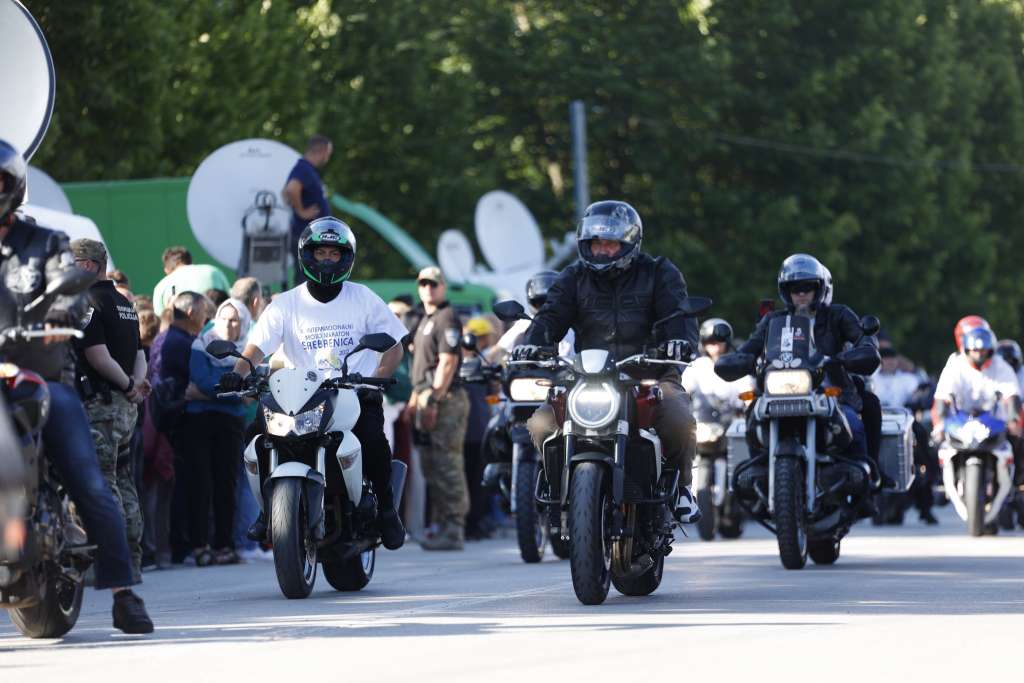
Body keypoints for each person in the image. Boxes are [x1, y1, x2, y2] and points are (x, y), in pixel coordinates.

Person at [0, 139, 152, 633]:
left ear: (13, 186)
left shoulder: (43, 241)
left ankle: (124, 593)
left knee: (90, 480)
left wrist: (61, 310)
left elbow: (67, 283)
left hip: (40, 377)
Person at [218, 217, 408, 550]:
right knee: (256, 436)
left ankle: (387, 510)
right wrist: (238, 372)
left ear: (346, 257)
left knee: (372, 439)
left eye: (334, 254)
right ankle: (268, 509)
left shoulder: (363, 298)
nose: (327, 260)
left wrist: (376, 381)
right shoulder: (285, 304)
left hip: (353, 393)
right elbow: (255, 349)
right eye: (321, 252)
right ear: (308, 254)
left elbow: (394, 348)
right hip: (299, 396)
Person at [514, 200, 702, 522]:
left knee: (678, 420)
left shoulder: (658, 272)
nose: (601, 250)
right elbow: (550, 316)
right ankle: (558, 482)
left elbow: (679, 315)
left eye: (610, 243)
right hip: (588, 375)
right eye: (595, 243)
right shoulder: (573, 277)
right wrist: (532, 345)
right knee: (541, 424)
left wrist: (680, 343)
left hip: (649, 371)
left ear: (629, 243)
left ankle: (681, 488)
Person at [735, 253, 880, 470]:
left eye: (808, 287)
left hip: (831, 392)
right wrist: (738, 359)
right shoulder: (773, 320)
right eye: (795, 288)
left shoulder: (838, 315)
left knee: (854, 425)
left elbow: (861, 337)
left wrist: (863, 348)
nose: (801, 293)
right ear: (786, 292)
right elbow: (750, 347)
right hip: (781, 391)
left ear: (819, 289)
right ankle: (758, 472)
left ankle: (864, 474)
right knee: (753, 416)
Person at [71, 239, 150, 581]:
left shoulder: (87, 302)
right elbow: (140, 354)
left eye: (72, 262)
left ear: (89, 265)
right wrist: (135, 386)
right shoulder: (125, 303)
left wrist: (129, 386)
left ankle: (112, 565)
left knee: (102, 486)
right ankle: (132, 563)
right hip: (124, 408)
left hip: (101, 405)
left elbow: (97, 356)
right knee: (123, 482)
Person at [183, 299, 251, 566]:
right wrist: (232, 391)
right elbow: (202, 378)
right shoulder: (201, 344)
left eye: (234, 320)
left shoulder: (248, 350)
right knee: (200, 482)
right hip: (199, 421)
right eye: (223, 318)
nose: (228, 325)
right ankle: (199, 546)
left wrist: (208, 393)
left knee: (227, 483)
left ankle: (225, 545)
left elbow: (247, 389)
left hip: (230, 423)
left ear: (243, 323)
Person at [407, 266, 471, 550]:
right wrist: (416, 400)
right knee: (431, 465)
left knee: (447, 463)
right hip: (426, 396)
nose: (428, 289)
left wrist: (433, 400)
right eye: (424, 284)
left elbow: (448, 362)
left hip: (445, 398)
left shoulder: (447, 317)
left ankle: (454, 528)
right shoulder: (425, 319)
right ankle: (443, 525)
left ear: (443, 286)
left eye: (434, 284)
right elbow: (422, 366)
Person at [152, 291, 210, 563]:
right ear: (191, 312)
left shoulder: (171, 338)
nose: (206, 317)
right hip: (181, 420)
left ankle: (180, 544)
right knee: (188, 484)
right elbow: (188, 382)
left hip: (171, 420)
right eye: (204, 311)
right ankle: (184, 545)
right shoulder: (181, 343)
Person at [870, 342, 939, 524]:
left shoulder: (907, 380)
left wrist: (918, 399)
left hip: (904, 424)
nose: (890, 363)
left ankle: (926, 505)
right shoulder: (871, 379)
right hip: (875, 424)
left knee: (924, 449)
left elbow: (919, 394)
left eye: (892, 360)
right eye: (886, 360)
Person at [932, 326, 1020, 438]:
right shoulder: (955, 365)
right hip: (959, 425)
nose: (979, 354)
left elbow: (1012, 394)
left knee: (1015, 440)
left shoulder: (1000, 365)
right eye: (975, 350)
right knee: (939, 443)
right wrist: (940, 423)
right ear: (967, 350)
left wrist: (1013, 421)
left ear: (990, 350)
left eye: (983, 350)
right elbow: (942, 396)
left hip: (994, 425)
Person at [488, 270, 574, 364]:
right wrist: (490, 365)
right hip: (538, 372)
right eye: (540, 302)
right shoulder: (527, 323)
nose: (546, 308)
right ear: (531, 302)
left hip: (576, 372)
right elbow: (499, 350)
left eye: (552, 302)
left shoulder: (576, 322)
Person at [283, 135, 333, 285]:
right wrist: (301, 211)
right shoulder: (304, 168)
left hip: (308, 235)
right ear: (323, 151)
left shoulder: (304, 168)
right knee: (305, 279)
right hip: (306, 235)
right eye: (328, 153)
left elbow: (285, 194)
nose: (328, 157)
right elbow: (291, 190)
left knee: (309, 276)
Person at [682, 318, 753, 409]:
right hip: (700, 417)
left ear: (727, 342)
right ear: (704, 344)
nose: (716, 346)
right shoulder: (696, 367)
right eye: (711, 342)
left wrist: (748, 402)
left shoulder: (736, 365)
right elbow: (684, 391)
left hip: (734, 416)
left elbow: (747, 391)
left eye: (719, 341)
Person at [152, 246, 230, 315]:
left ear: (166, 270)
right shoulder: (214, 271)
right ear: (190, 261)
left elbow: (161, 321)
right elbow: (230, 302)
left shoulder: (160, 287)